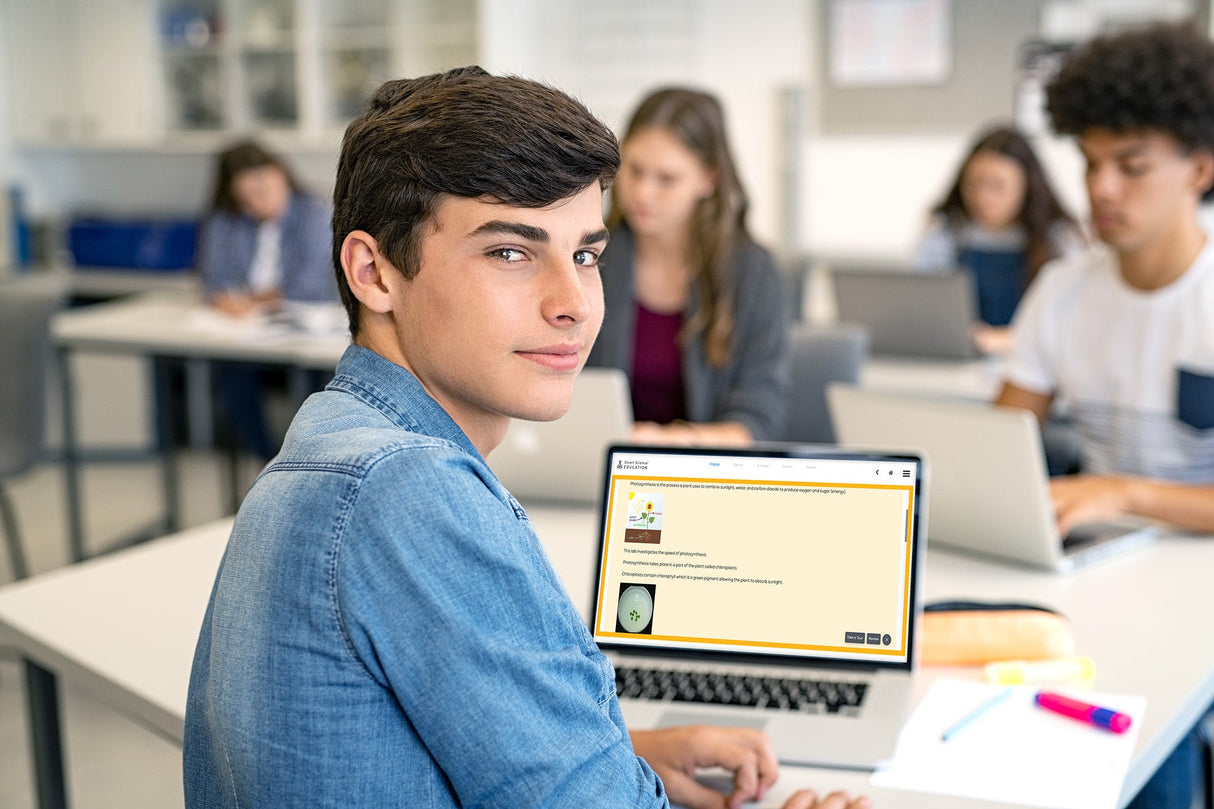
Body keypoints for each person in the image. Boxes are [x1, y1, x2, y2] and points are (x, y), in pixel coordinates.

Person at [183, 67, 868, 809]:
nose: (573, 304)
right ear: (373, 272)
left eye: (586, 255)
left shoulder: (334, 436)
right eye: (511, 252)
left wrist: (617, 754)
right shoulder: (412, 491)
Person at [995, 21, 1214, 809]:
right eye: (1090, 164)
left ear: (1199, 166)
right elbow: (1003, 444)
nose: (1103, 189)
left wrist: (1120, 492)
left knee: (1153, 713)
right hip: (1099, 571)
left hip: (1197, 572)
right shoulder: (1065, 289)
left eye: (1132, 165)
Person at [586, 87, 791, 445]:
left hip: (703, 473)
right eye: (634, 170)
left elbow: (757, 418)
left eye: (666, 179)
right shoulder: (594, 256)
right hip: (595, 466)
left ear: (707, 178)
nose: (643, 192)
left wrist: (672, 442)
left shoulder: (752, 273)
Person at [194, 139, 338, 458]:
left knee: (317, 383)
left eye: (266, 189)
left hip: (304, 328)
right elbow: (212, 278)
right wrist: (225, 301)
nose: (260, 202)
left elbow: (307, 284)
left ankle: (307, 460)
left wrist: (252, 301)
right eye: (248, 196)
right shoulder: (227, 220)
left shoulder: (314, 212)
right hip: (248, 332)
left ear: (282, 176)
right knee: (233, 374)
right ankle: (267, 460)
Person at [914, 125, 1084, 353]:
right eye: (974, 184)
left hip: (1031, 359)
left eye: (998, 186)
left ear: (1026, 187)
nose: (983, 197)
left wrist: (1006, 340)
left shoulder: (1059, 238)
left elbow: (1073, 324)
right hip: (960, 359)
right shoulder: (947, 232)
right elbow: (920, 307)